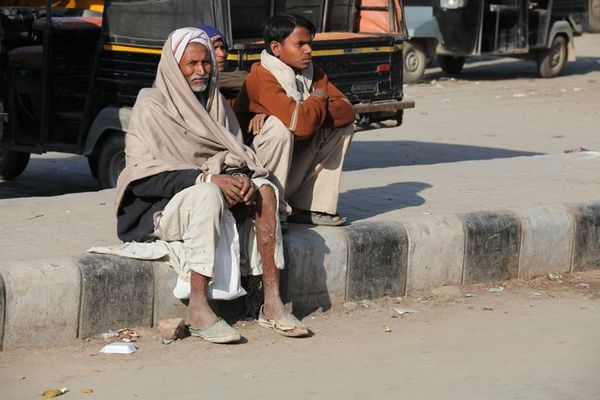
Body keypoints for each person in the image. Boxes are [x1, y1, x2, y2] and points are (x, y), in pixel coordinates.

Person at [113, 27, 308, 343]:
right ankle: (199, 308)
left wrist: (243, 179)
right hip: (163, 209)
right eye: (191, 64)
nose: (201, 70)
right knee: (206, 194)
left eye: (206, 63)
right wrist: (205, 178)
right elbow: (145, 178)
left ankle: (271, 302)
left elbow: (237, 155)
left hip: (214, 195)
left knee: (266, 191)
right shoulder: (151, 106)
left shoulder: (217, 106)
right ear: (174, 66)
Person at [234, 13, 356, 226]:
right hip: (254, 172)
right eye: (300, 44)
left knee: (343, 127)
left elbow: (346, 110)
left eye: (309, 43)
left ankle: (308, 206)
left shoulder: (311, 73)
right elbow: (299, 124)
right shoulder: (261, 76)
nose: (308, 50)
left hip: (292, 162)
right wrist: (316, 101)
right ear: (276, 48)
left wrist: (309, 110)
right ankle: (267, 208)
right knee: (279, 127)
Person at [198, 24, 248, 100]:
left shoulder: (241, 74)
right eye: (214, 48)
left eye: (222, 47)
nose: (221, 54)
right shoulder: (200, 82)